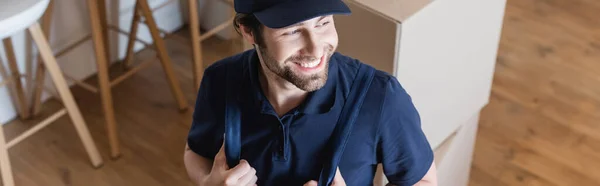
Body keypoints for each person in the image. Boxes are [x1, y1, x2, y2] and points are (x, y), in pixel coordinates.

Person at [183, 0, 438, 185]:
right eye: (292, 31)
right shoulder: (220, 80)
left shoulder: (381, 97)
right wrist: (208, 182)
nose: (315, 49)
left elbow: (423, 181)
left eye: (323, 22)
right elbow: (196, 152)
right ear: (249, 31)